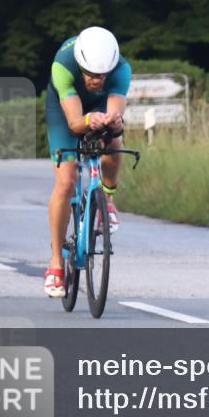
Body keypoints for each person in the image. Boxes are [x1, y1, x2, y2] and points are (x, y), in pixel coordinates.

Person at [43, 26, 131, 298]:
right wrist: (86, 120)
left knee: (114, 143)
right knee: (67, 181)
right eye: (92, 75)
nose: (97, 80)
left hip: (100, 106)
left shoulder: (121, 70)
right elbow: (73, 123)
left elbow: (115, 116)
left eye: (102, 75)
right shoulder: (63, 66)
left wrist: (111, 122)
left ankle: (108, 200)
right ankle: (56, 263)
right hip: (65, 109)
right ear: (81, 65)